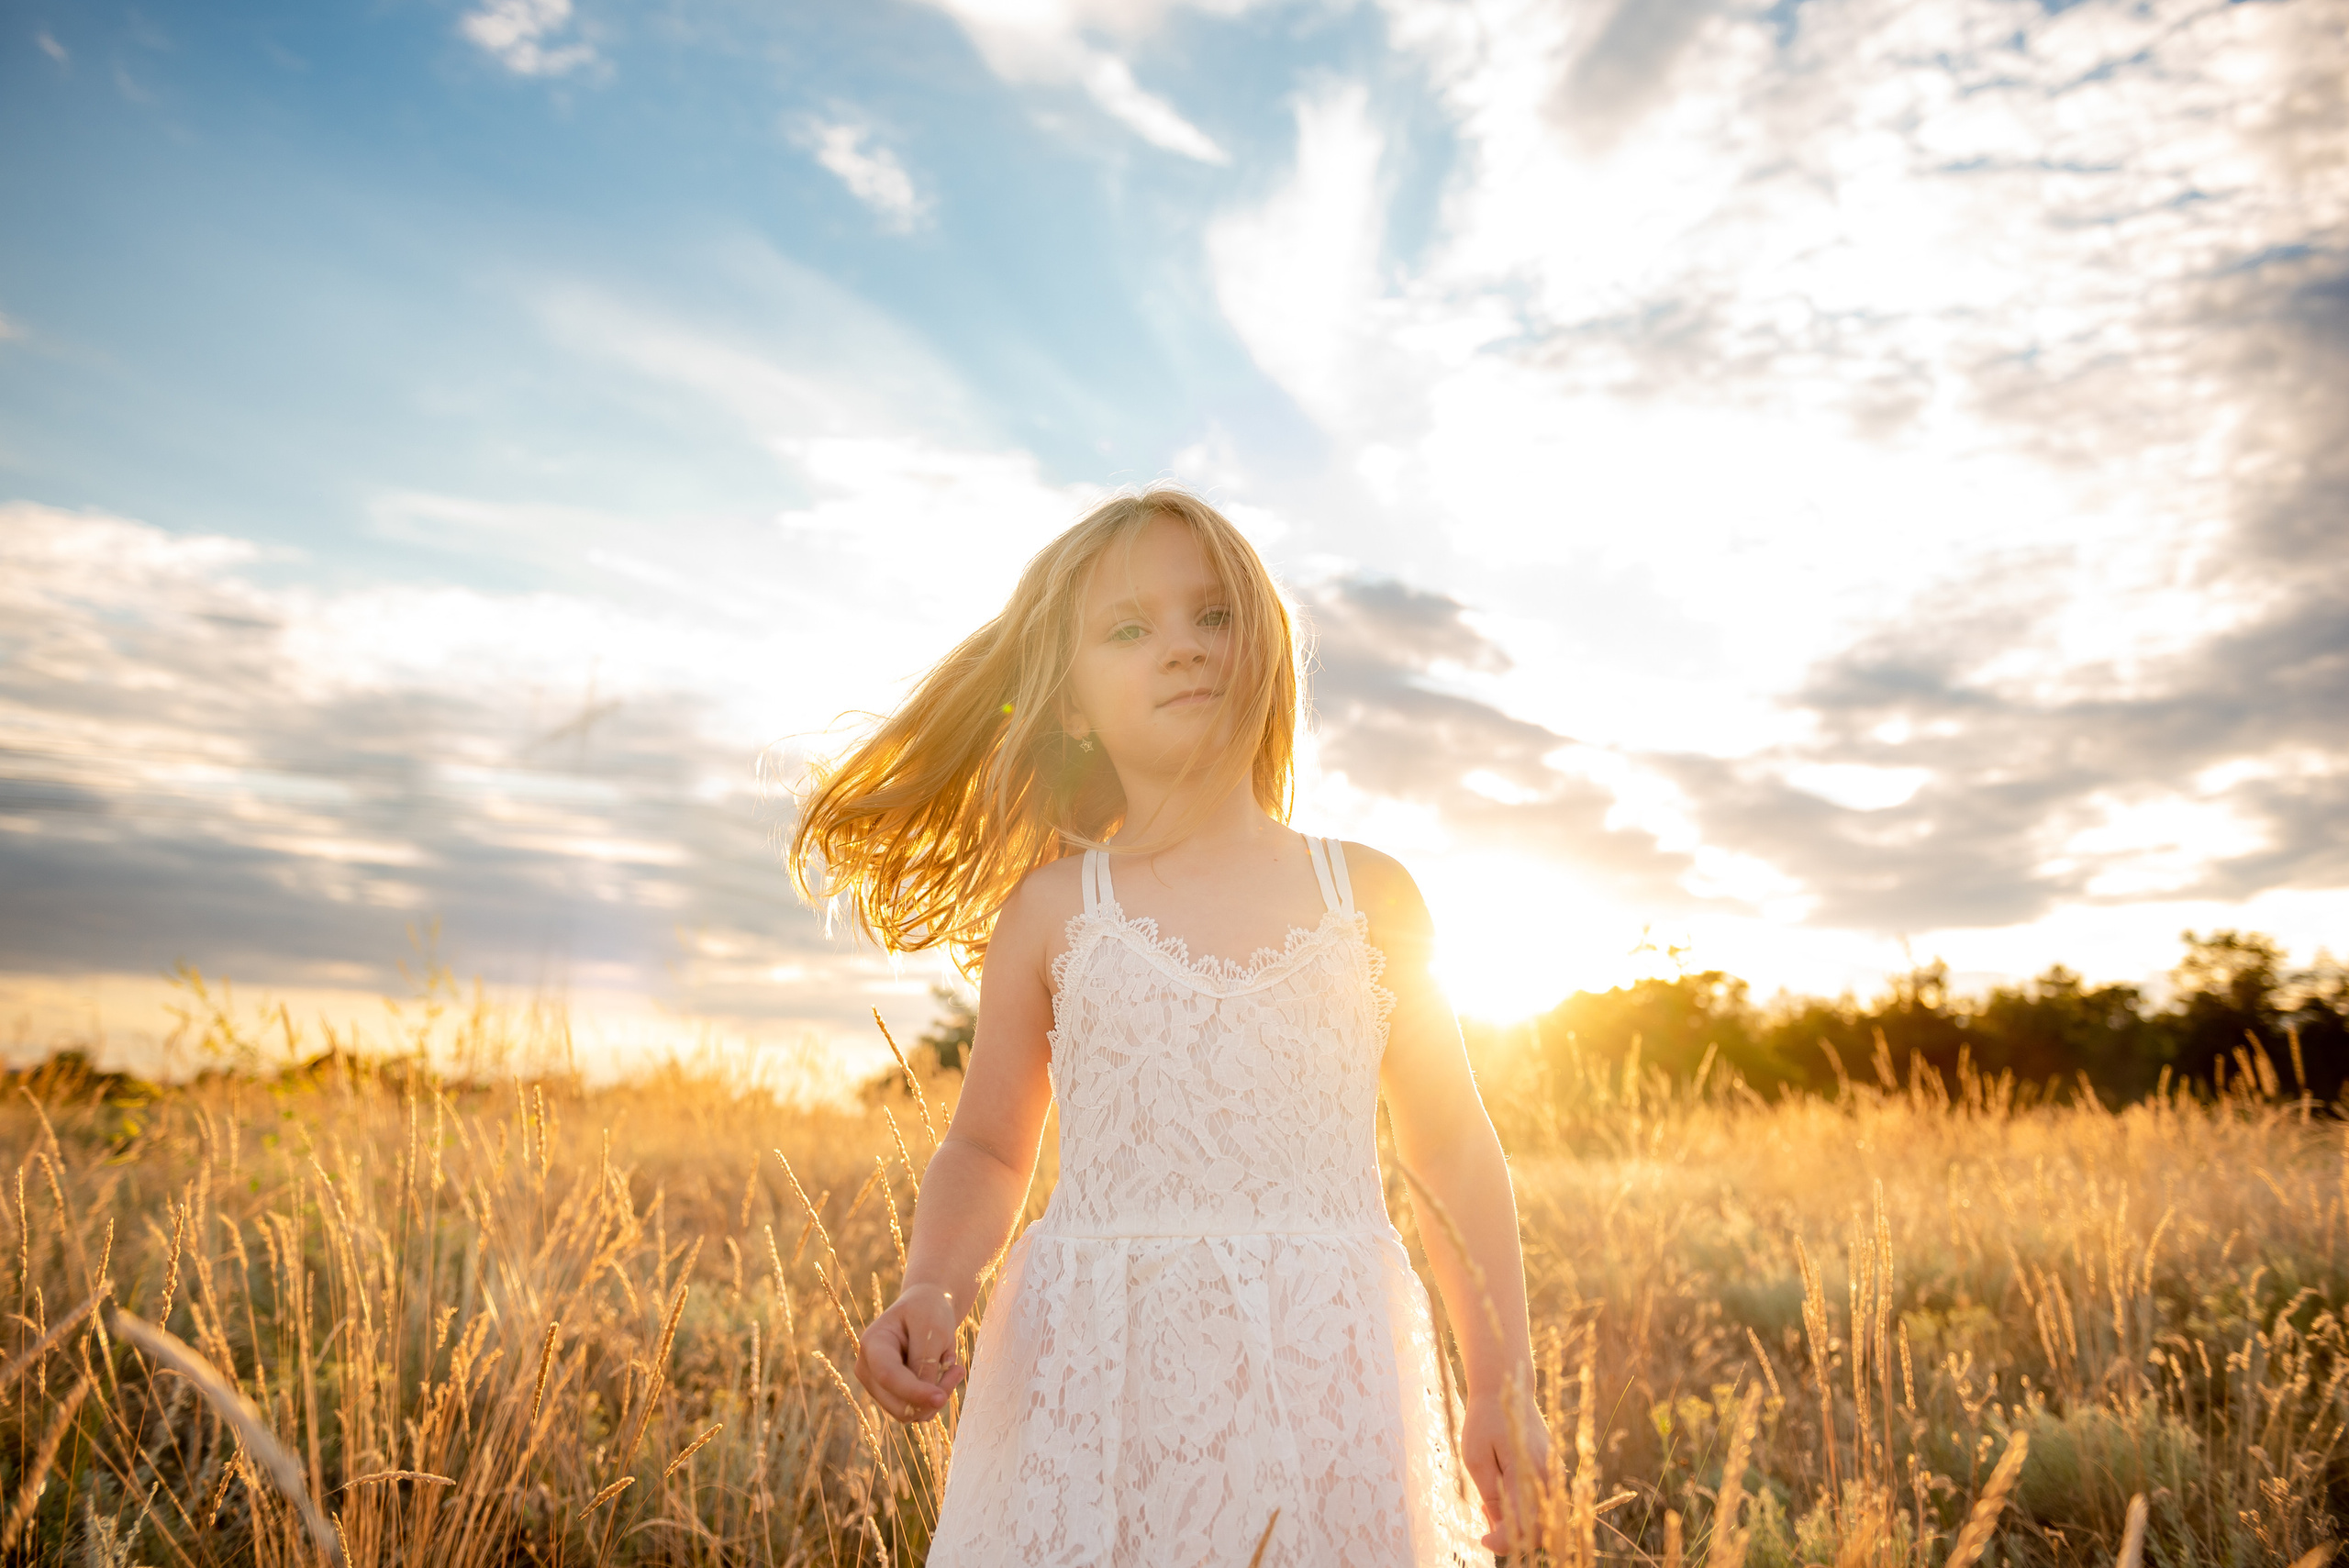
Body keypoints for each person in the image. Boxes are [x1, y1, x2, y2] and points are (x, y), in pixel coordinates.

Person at [791, 486, 1551, 1566]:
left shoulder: (1370, 893)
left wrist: (1501, 1384)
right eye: (1128, 629)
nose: (1183, 647)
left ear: (1266, 650)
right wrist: (932, 1285)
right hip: (1101, 1376)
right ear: (1068, 704)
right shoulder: (1055, 911)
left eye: (1214, 614)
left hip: (1331, 1372)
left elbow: (1454, 1145)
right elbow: (991, 1144)